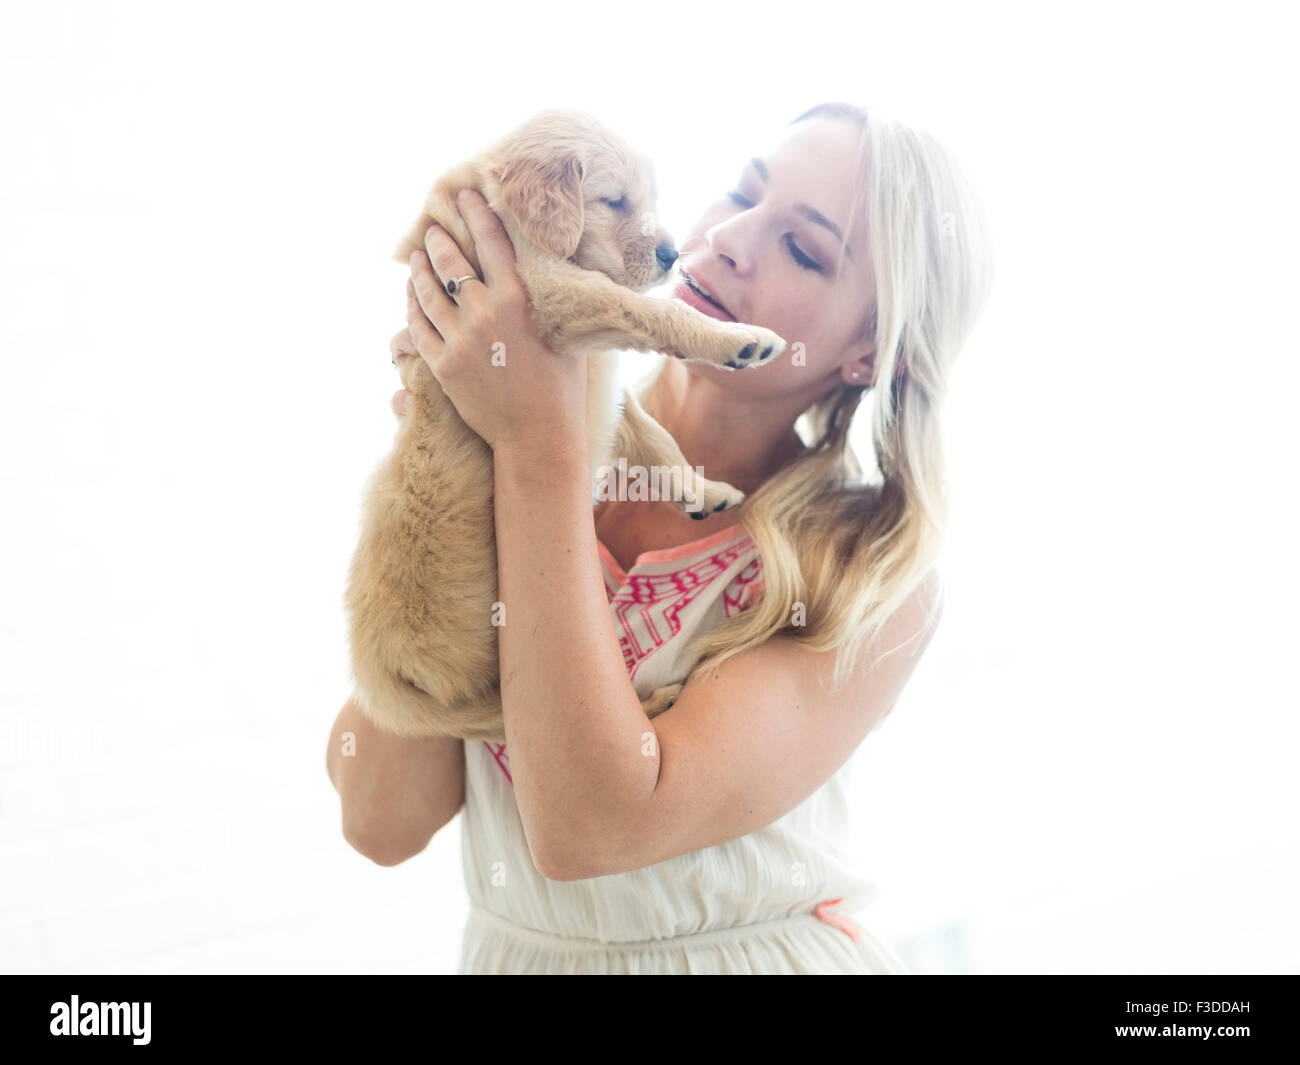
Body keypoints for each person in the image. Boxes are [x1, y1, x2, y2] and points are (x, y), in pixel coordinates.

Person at [326, 100, 993, 974]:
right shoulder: (521, 427)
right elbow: (380, 820)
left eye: (802, 248)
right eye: (742, 193)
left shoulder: (866, 572)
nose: (729, 239)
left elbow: (589, 829)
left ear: (871, 352)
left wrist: (537, 455)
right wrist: (456, 465)